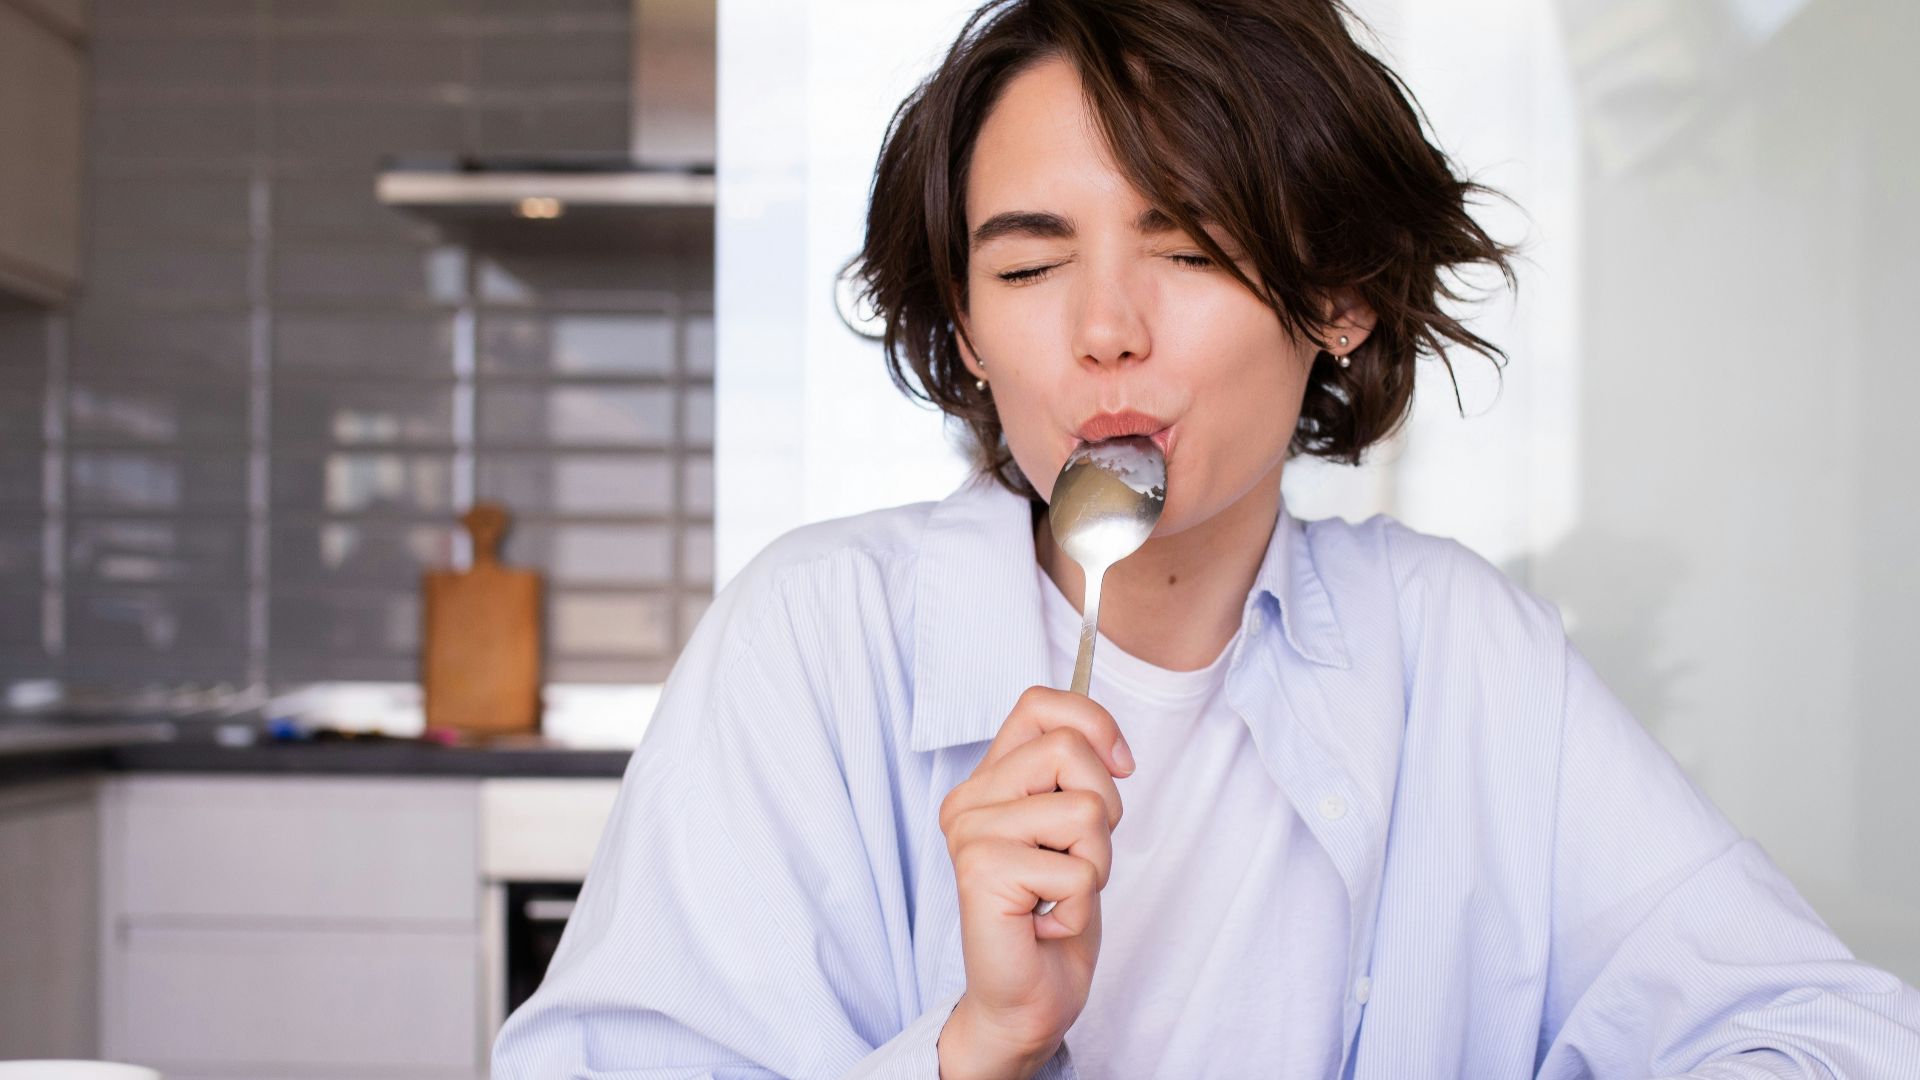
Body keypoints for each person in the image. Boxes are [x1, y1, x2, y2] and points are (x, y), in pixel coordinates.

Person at [490, 0, 1920, 1076]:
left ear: (1340, 296)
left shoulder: (1457, 649)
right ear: (972, 334)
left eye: (1188, 250)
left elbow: (1826, 1028)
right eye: (1032, 265)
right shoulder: (814, 637)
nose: (1105, 329)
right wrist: (976, 1043)